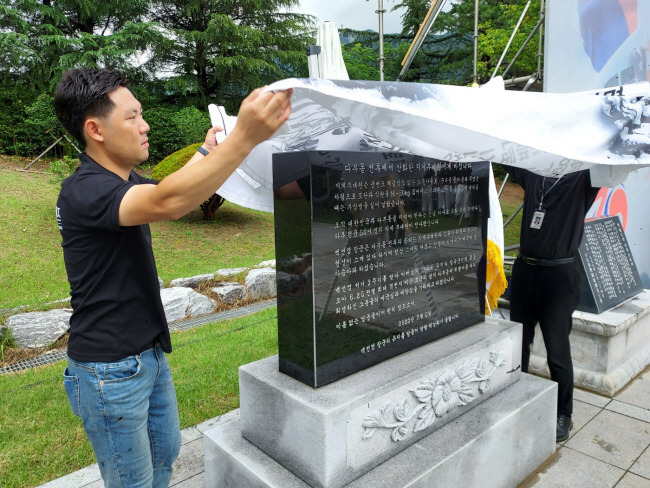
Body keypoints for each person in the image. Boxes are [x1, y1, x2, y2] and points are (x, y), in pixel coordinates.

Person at [54, 68, 291, 487]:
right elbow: (168, 201)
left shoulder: (119, 181)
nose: (144, 126)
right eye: (132, 117)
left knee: (164, 461)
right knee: (133, 481)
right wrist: (244, 138)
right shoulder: (84, 191)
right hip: (109, 369)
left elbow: (164, 187)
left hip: (147, 356)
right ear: (96, 129)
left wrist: (206, 151)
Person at [502, 165, 599, 443]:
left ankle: (563, 413)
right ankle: (515, 397)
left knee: (557, 348)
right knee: (519, 341)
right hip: (525, 271)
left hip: (558, 275)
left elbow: (609, 164)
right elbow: (507, 154)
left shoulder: (583, 178)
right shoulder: (535, 173)